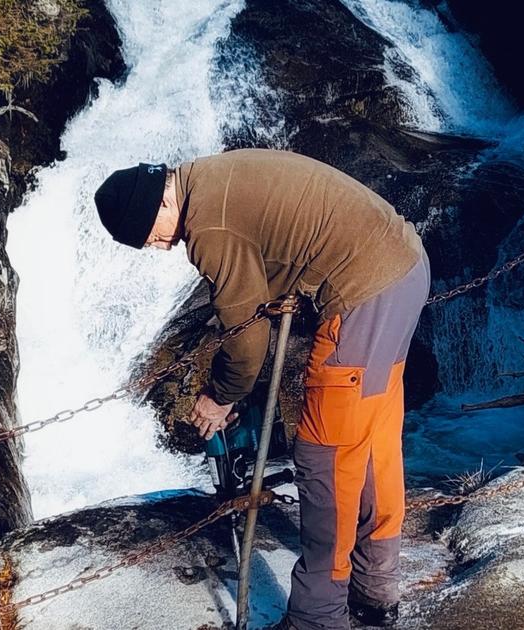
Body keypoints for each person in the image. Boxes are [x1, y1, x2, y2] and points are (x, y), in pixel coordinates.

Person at [93, 149, 429, 630]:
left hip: (362, 292)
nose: (159, 247)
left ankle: (318, 617)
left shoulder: (208, 226)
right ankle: (375, 591)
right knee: (371, 444)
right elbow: (277, 247)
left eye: (148, 237)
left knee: (324, 457)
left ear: (157, 206)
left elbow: (247, 340)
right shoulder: (209, 177)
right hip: (404, 267)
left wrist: (220, 397)